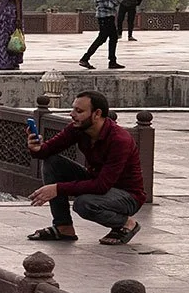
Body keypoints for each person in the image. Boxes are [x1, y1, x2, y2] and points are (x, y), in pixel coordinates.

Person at [26, 90, 144, 245]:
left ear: (97, 114)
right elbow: (47, 151)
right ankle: (63, 227)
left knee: (83, 204)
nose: (72, 114)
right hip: (97, 182)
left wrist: (57, 189)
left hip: (127, 196)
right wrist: (35, 148)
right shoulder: (77, 128)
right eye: (73, 109)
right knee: (52, 163)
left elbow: (102, 186)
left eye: (79, 111)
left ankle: (126, 223)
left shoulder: (119, 140)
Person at [79, 0, 123, 70]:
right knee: (102, 38)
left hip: (106, 15)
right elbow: (114, 0)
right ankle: (85, 58)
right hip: (105, 15)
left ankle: (112, 61)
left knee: (112, 37)